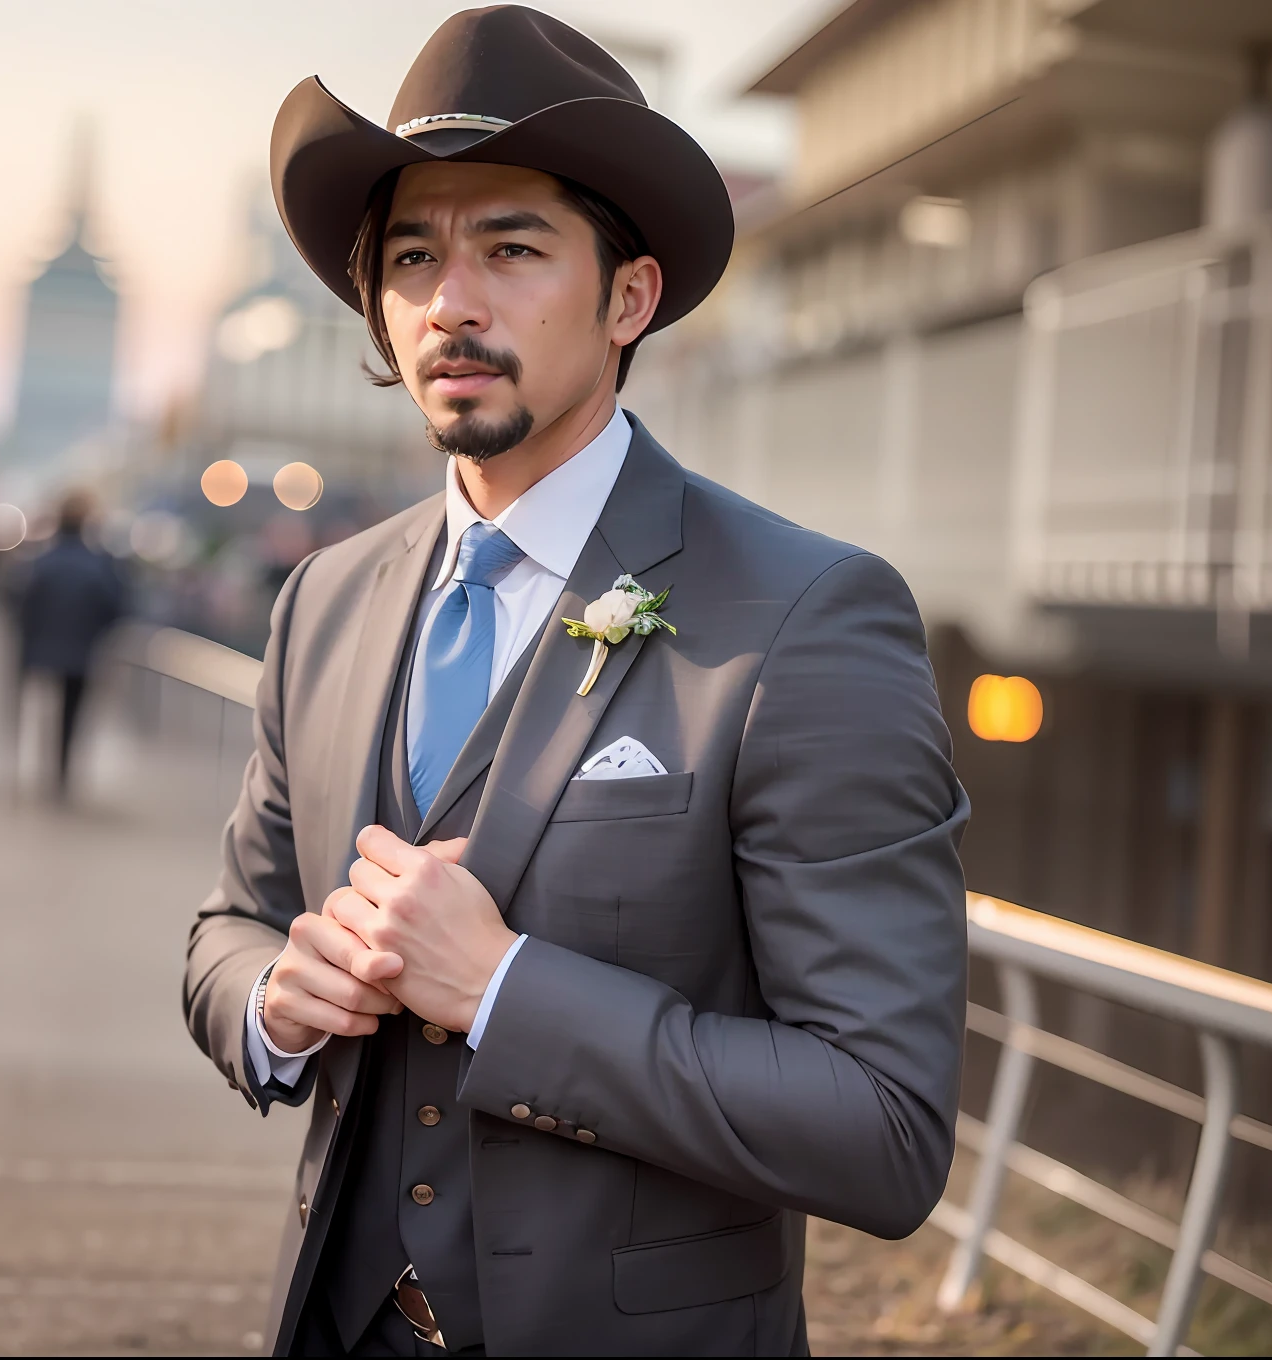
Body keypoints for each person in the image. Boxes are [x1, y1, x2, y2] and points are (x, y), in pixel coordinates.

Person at [181, 9, 969, 1355]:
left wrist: (503, 992)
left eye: (513, 248)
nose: (453, 302)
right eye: (414, 256)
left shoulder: (804, 617)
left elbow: (884, 1124)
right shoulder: (325, 599)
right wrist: (273, 1002)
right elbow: (228, 928)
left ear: (628, 298)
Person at [14, 491, 124, 798]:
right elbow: (114, 607)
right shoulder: (98, 565)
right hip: (82, 651)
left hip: (43, 649)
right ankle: (63, 772)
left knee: (47, 709)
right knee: (71, 714)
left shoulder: (41, 563)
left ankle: (50, 768)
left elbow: (23, 607)